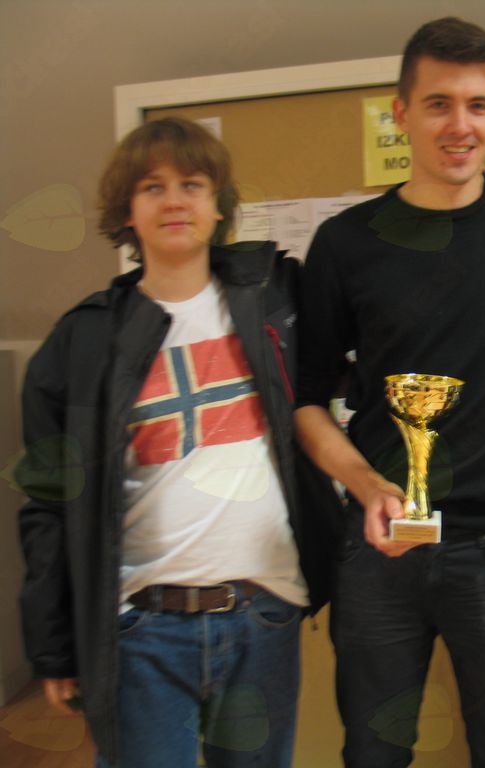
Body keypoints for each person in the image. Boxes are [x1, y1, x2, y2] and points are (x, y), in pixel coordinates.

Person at [293, 17, 485, 768]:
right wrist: (365, 484)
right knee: (373, 751)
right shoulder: (345, 241)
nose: (459, 125)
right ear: (401, 113)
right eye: (438, 104)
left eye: (477, 105)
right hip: (381, 546)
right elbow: (305, 401)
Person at [16, 117, 337, 767]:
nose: (174, 201)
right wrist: (53, 647)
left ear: (218, 206)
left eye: (192, 184)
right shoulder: (82, 341)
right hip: (141, 630)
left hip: (264, 615)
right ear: (126, 212)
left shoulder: (274, 299)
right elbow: (48, 504)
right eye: (152, 187)